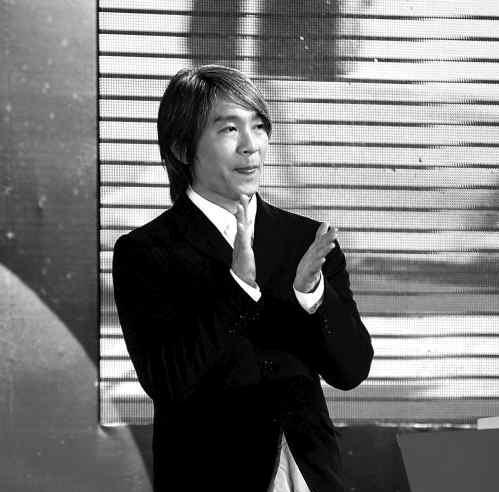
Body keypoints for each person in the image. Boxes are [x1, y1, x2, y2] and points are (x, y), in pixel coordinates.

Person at [112, 65, 373, 492]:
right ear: (181, 148)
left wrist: (312, 295)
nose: (251, 146)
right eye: (229, 129)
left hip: (309, 474)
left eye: (259, 126)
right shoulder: (145, 252)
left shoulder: (304, 240)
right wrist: (236, 290)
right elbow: (168, 382)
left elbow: (352, 369)